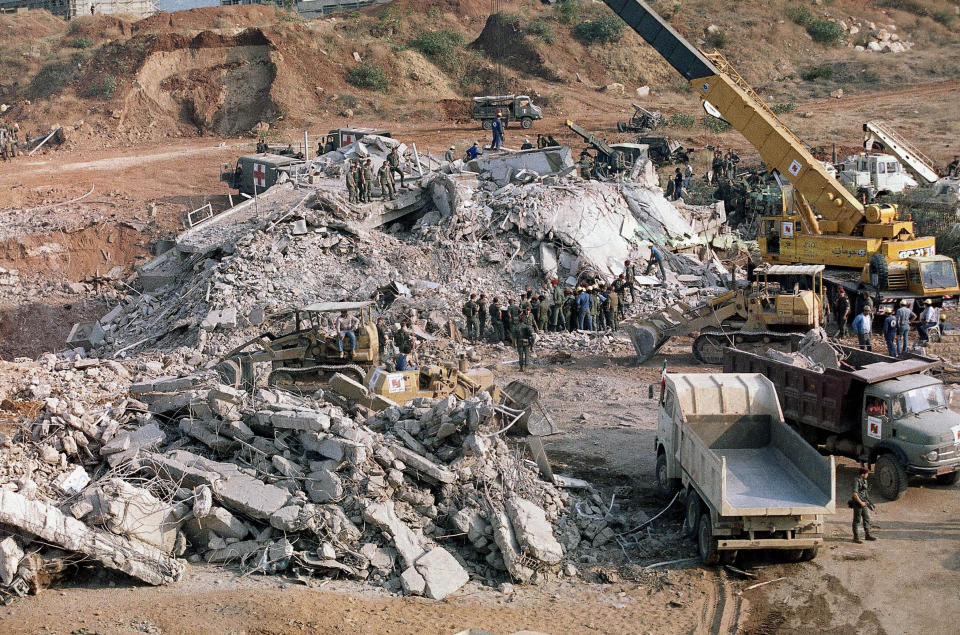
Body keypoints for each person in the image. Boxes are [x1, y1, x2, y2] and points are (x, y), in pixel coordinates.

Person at [851, 465, 877, 544]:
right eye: (867, 473)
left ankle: (867, 535)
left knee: (866, 519)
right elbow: (855, 494)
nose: (867, 475)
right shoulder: (856, 480)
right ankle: (856, 537)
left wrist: (870, 502)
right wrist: (861, 502)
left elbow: (865, 492)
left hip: (864, 502)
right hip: (858, 503)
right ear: (863, 474)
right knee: (857, 520)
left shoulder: (864, 480)